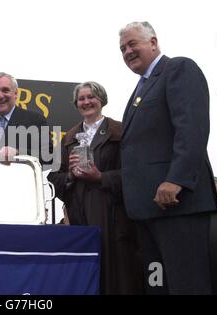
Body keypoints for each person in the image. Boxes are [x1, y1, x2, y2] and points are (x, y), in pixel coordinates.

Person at [119, 21, 217, 294]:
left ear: (153, 42)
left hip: (178, 204)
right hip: (146, 209)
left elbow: (192, 128)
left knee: (186, 285)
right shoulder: (140, 89)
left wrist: (176, 179)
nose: (127, 51)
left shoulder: (178, 68)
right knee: (158, 284)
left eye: (132, 44)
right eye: (122, 48)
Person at [48, 81, 142, 294]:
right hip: (80, 218)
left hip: (114, 218)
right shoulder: (69, 138)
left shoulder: (120, 131)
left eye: (91, 97)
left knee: (119, 278)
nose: (86, 102)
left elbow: (135, 174)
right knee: (87, 276)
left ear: (102, 100)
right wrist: (71, 175)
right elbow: (54, 176)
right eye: (81, 98)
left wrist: (101, 177)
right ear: (76, 104)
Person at [0, 72, 53, 167]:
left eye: (5, 90)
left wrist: (18, 153)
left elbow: (48, 156)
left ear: (15, 93)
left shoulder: (35, 120)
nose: (0, 96)